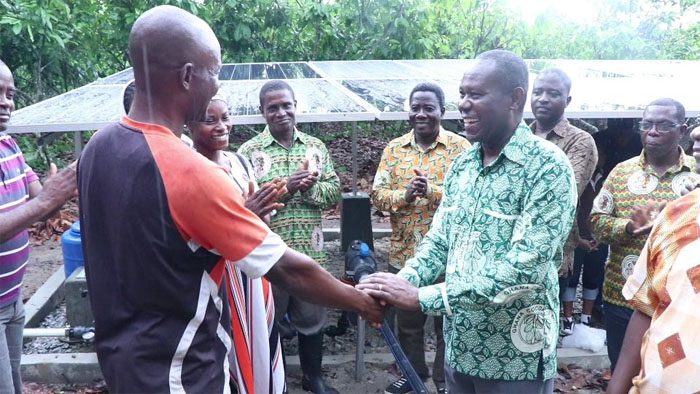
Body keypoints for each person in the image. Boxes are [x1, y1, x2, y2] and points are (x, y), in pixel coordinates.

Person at [76, 6, 381, 393]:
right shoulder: (192, 173)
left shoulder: (97, 147)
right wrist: (360, 300)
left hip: (121, 364)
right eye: (214, 72)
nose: (217, 86)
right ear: (188, 76)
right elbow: (289, 271)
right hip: (181, 373)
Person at [358, 49, 577, 393]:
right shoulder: (464, 165)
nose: (463, 104)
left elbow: (525, 268)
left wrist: (422, 297)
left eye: (476, 94)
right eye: (462, 94)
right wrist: (400, 283)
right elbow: (440, 240)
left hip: (513, 358)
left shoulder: (547, 168)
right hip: (461, 349)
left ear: (514, 99)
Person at [238, 80, 341, 394]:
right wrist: (287, 187)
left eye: (286, 105)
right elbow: (243, 203)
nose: (281, 113)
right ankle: (273, 382)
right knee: (270, 322)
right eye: (273, 108)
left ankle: (314, 378)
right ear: (262, 112)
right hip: (268, 255)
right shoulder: (248, 153)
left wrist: (311, 189)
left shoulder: (315, 148)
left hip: (311, 252)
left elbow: (334, 190)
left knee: (312, 317)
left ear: (296, 106)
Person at [371, 82, 469, 394]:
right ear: (409, 111)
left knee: (446, 324)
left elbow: (469, 196)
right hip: (405, 254)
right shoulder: (394, 149)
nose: (422, 113)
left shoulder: (461, 148)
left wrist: (432, 191)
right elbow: (377, 196)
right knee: (408, 324)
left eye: (429, 108)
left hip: (450, 255)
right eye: (416, 107)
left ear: (442, 111)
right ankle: (412, 376)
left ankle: (443, 381)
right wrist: (405, 195)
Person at [590, 98, 699, 372]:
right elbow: (596, 223)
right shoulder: (621, 172)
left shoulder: (696, 175)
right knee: (622, 369)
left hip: (676, 303)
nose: (652, 131)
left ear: (682, 129)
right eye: (646, 124)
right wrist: (629, 227)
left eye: (662, 125)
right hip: (621, 297)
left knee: (665, 375)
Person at [189, 96, 286, 393]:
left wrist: (263, 211)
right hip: (222, 277)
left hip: (254, 274)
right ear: (189, 125)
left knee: (260, 339)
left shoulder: (239, 162)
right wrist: (246, 215)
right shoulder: (192, 170)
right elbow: (199, 233)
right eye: (210, 120)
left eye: (226, 117)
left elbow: (259, 224)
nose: (222, 126)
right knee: (231, 344)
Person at [0, 59, 76, 394]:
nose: (6, 102)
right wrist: (46, 200)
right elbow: (40, 204)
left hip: (13, 300)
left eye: (10, 93)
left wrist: (60, 191)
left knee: (14, 385)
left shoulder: (10, 147)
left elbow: (42, 207)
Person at [529, 68, 598, 335]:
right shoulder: (516, 137)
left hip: (551, 255)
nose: (543, 99)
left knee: (539, 333)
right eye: (538, 92)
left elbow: (564, 192)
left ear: (567, 100)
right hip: (508, 253)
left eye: (553, 93)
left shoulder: (581, 141)